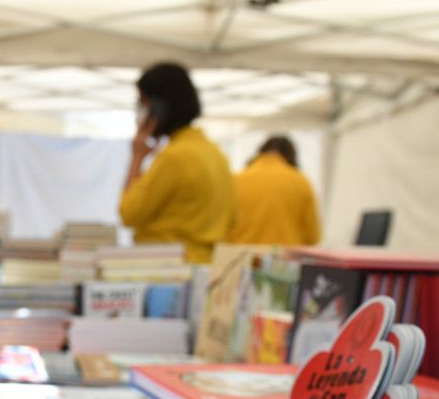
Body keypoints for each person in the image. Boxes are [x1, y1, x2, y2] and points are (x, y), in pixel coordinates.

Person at [117, 62, 234, 263]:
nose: (141, 114)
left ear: (159, 107)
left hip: (171, 270)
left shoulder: (175, 157)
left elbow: (128, 213)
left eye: (143, 104)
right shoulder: (215, 153)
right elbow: (233, 219)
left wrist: (136, 158)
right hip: (206, 265)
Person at [228, 134, 321, 246]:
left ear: (261, 152)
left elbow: (221, 228)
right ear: (291, 156)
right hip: (284, 259)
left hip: (235, 257)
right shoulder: (301, 182)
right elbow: (313, 236)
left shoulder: (236, 180)